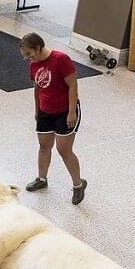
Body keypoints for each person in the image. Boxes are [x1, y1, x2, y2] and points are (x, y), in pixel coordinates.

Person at [19, 33, 87, 205]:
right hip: (45, 110)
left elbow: (73, 85)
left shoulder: (60, 59)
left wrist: (72, 112)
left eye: (29, 53)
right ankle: (42, 179)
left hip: (65, 111)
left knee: (64, 149)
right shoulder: (34, 64)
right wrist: (37, 110)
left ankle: (78, 185)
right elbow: (37, 88)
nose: (27, 58)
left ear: (38, 48)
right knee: (44, 146)